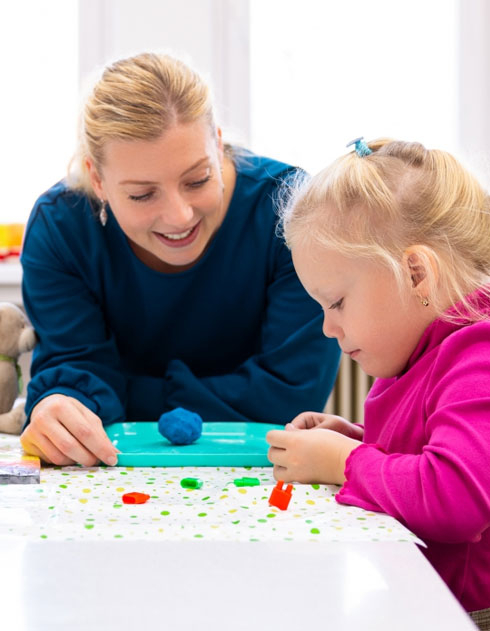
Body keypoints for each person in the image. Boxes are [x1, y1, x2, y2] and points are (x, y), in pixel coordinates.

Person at [19, 52, 340, 469]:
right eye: (142, 194)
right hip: (113, 474)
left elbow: (291, 396)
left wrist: (123, 396)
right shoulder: (60, 228)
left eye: (198, 179)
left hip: (265, 470)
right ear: (97, 179)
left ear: (218, 143)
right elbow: (74, 376)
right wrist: (60, 408)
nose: (180, 216)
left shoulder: (293, 210)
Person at [266, 138, 490, 624]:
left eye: (338, 303)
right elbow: (437, 453)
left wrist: (348, 463)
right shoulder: (422, 350)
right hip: (429, 600)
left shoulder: (478, 354)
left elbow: (456, 497)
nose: (328, 328)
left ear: (415, 273)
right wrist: (362, 442)